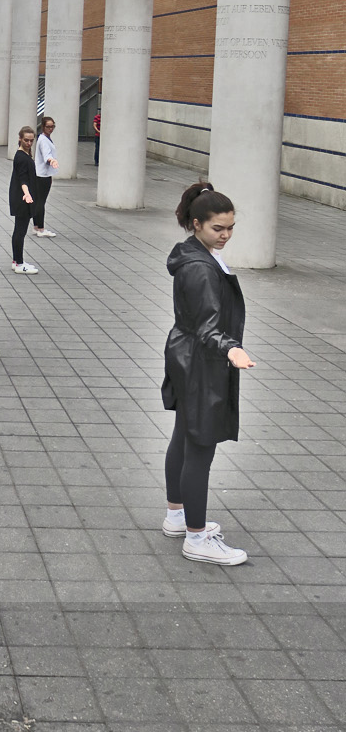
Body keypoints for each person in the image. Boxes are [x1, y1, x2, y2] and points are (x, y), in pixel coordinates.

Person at [161, 181, 255, 566]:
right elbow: (207, 326)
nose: (226, 235)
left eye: (231, 227)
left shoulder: (194, 253)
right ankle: (196, 538)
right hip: (201, 360)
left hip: (188, 355)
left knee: (184, 437)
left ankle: (177, 516)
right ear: (197, 223)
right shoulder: (200, 267)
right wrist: (231, 349)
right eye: (218, 228)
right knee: (200, 447)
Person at [8, 126, 40, 275]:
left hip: (21, 197)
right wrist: (27, 194)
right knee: (20, 231)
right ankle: (19, 263)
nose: (29, 143)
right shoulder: (21, 157)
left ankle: (17, 261)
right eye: (26, 140)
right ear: (20, 139)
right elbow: (23, 179)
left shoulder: (23, 155)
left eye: (31, 140)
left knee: (19, 230)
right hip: (22, 198)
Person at [32, 116, 59, 237]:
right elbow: (46, 154)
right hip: (43, 175)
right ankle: (41, 229)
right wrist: (51, 161)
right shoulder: (43, 140)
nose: (50, 129)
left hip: (41, 173)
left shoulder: (44, 138)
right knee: (41, 201)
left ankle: (36, 226)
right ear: (43, 127)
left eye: (52, 126)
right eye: (48, 126)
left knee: (38, 200)